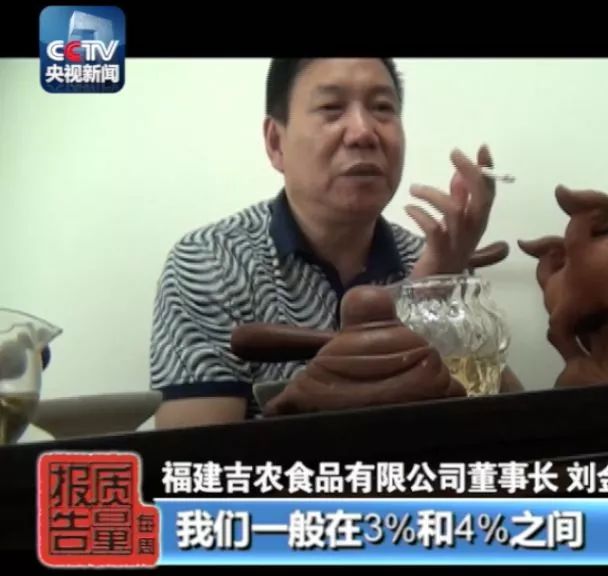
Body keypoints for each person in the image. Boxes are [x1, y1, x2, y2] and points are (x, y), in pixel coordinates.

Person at [150, 58, 522, 430]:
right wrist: (414, 303)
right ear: (276, 143)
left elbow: (507, 425)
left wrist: (434, 293)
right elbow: (195, 456)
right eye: (331, 108)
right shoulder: (212, 261)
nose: (363, 132)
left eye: (382, 108)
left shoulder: (431, 258)